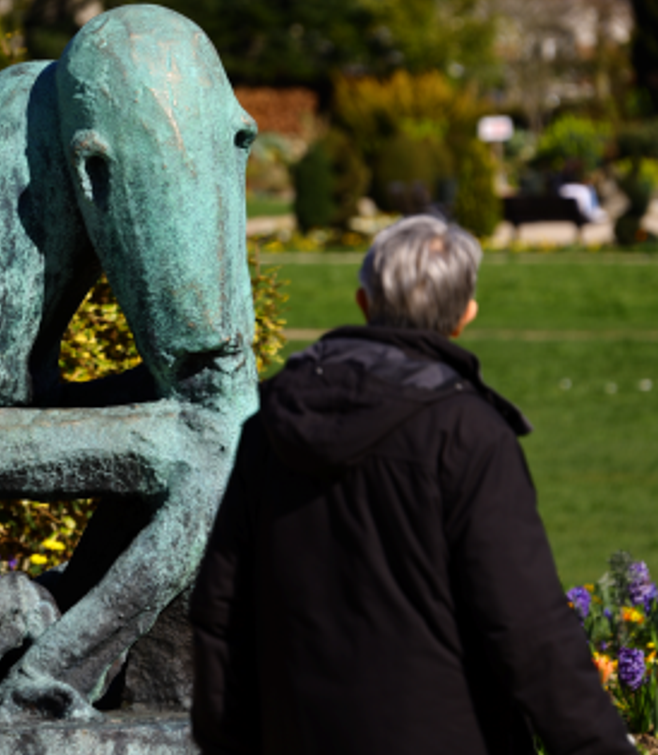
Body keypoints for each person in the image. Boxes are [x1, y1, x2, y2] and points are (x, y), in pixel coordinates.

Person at [190, 215, 633, 755]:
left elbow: (221, 612)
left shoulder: (270, 424)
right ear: (464, 316)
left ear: (364, 302)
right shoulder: (467, 435)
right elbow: (529, 628)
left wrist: (228, 741)